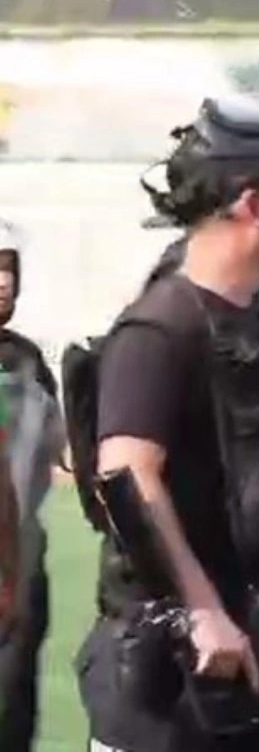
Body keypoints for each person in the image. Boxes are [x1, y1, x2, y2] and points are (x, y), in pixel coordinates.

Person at [81, 97, 259, 752]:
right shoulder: (160, 328)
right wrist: (200, 608)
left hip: (258, 669)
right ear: (253, 205)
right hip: (175, 691)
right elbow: (126, 475)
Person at [0, 221, 61, 752]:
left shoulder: (28, 363)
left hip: (19, 569)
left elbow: (58, 452)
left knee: (14, 714)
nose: (3, 281)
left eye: (9, 268)